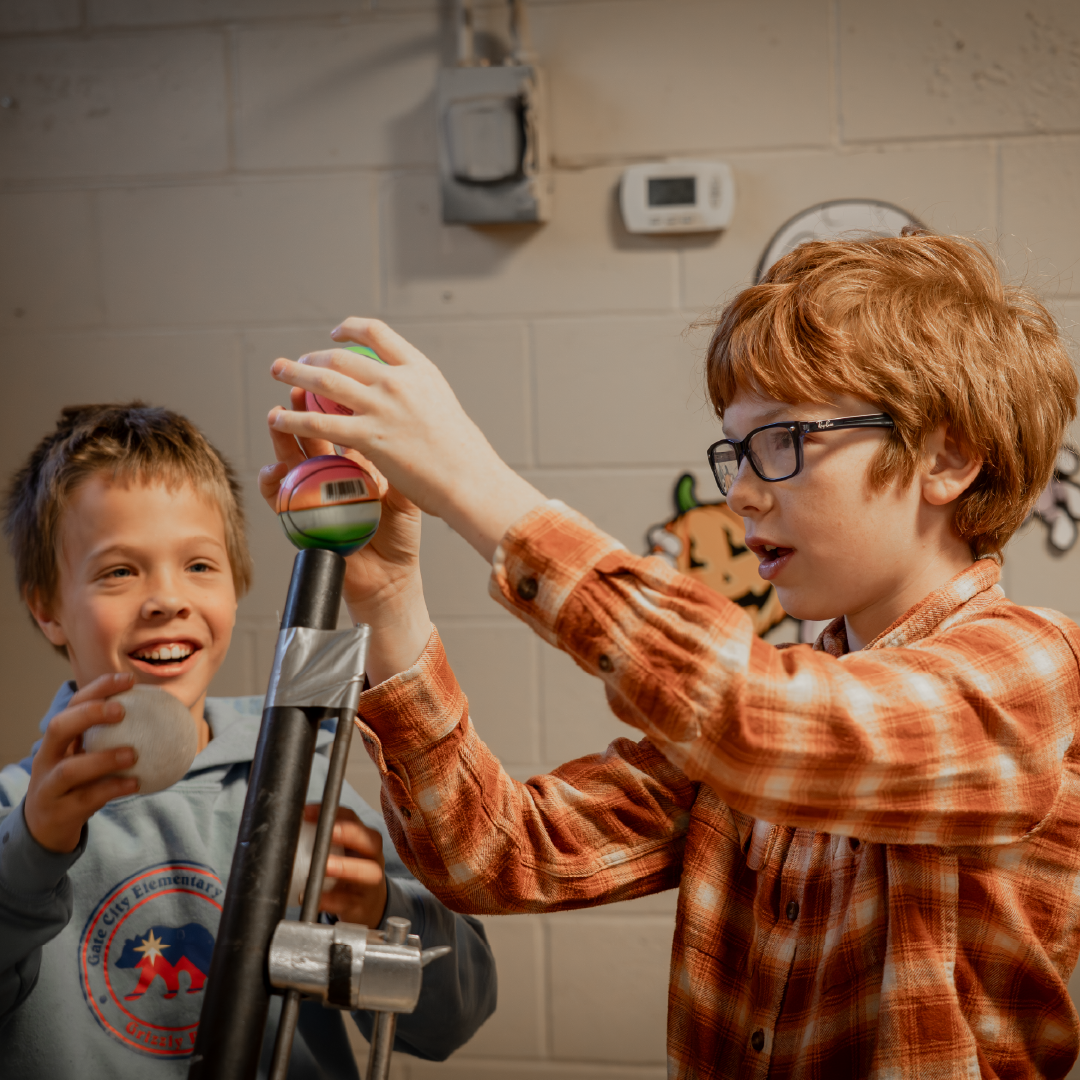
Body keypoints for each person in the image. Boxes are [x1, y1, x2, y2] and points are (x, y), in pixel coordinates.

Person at [265, 232, 1080, 1079]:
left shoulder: (1031, 673)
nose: (742, 493)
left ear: (947, 457)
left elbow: (764, 725)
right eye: (737, 451)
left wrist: (473, 482)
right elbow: (498, 855)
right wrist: (390, 599)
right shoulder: (770, 712)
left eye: (784, 441)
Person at [0, 403, 496, 1079]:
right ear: (46, 608)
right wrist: (32, 854)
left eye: (199, 565)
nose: (167, 599)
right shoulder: (16, 814)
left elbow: (455, 1018)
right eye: (118, 571)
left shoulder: (300, 773)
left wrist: (378, 909)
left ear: (237, 586)